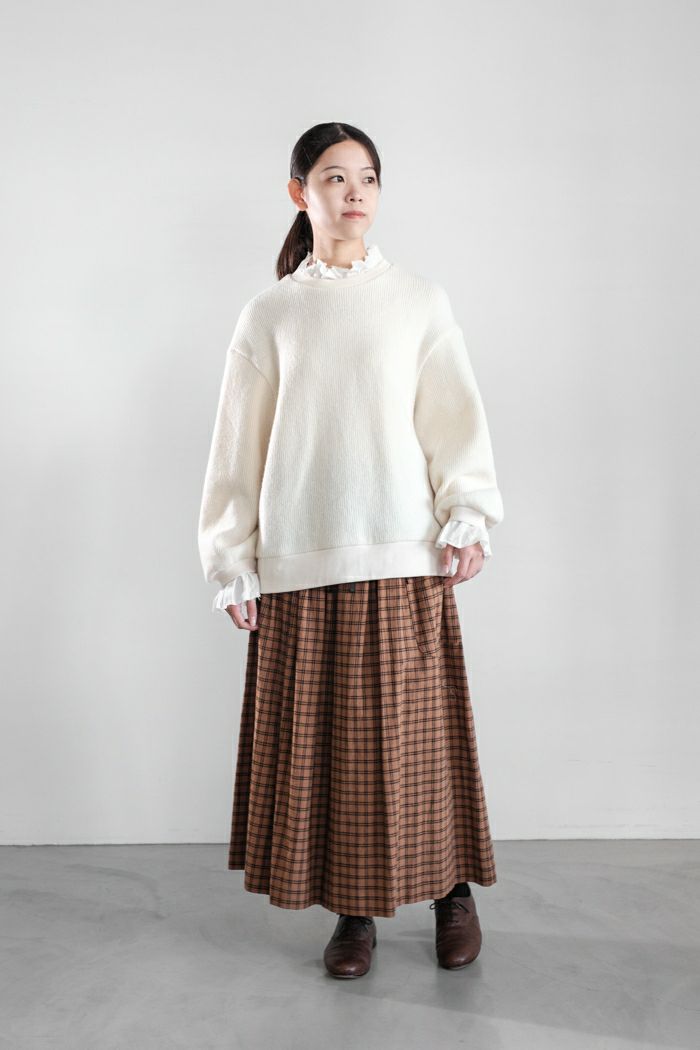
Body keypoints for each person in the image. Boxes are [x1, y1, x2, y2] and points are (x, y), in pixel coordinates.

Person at [197, 121, 504, 979]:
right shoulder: (270, 315)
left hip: (403, 557)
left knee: (422, 746)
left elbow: (454, 419)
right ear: (301, 193)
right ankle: (353, 913)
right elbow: (236, 451)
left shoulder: (419, 301)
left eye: (367, 176)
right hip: (304, 562)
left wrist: (467, 510)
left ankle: (452, 895)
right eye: (335, 177)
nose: (355, 192)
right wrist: (231, 559)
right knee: (333, 753)